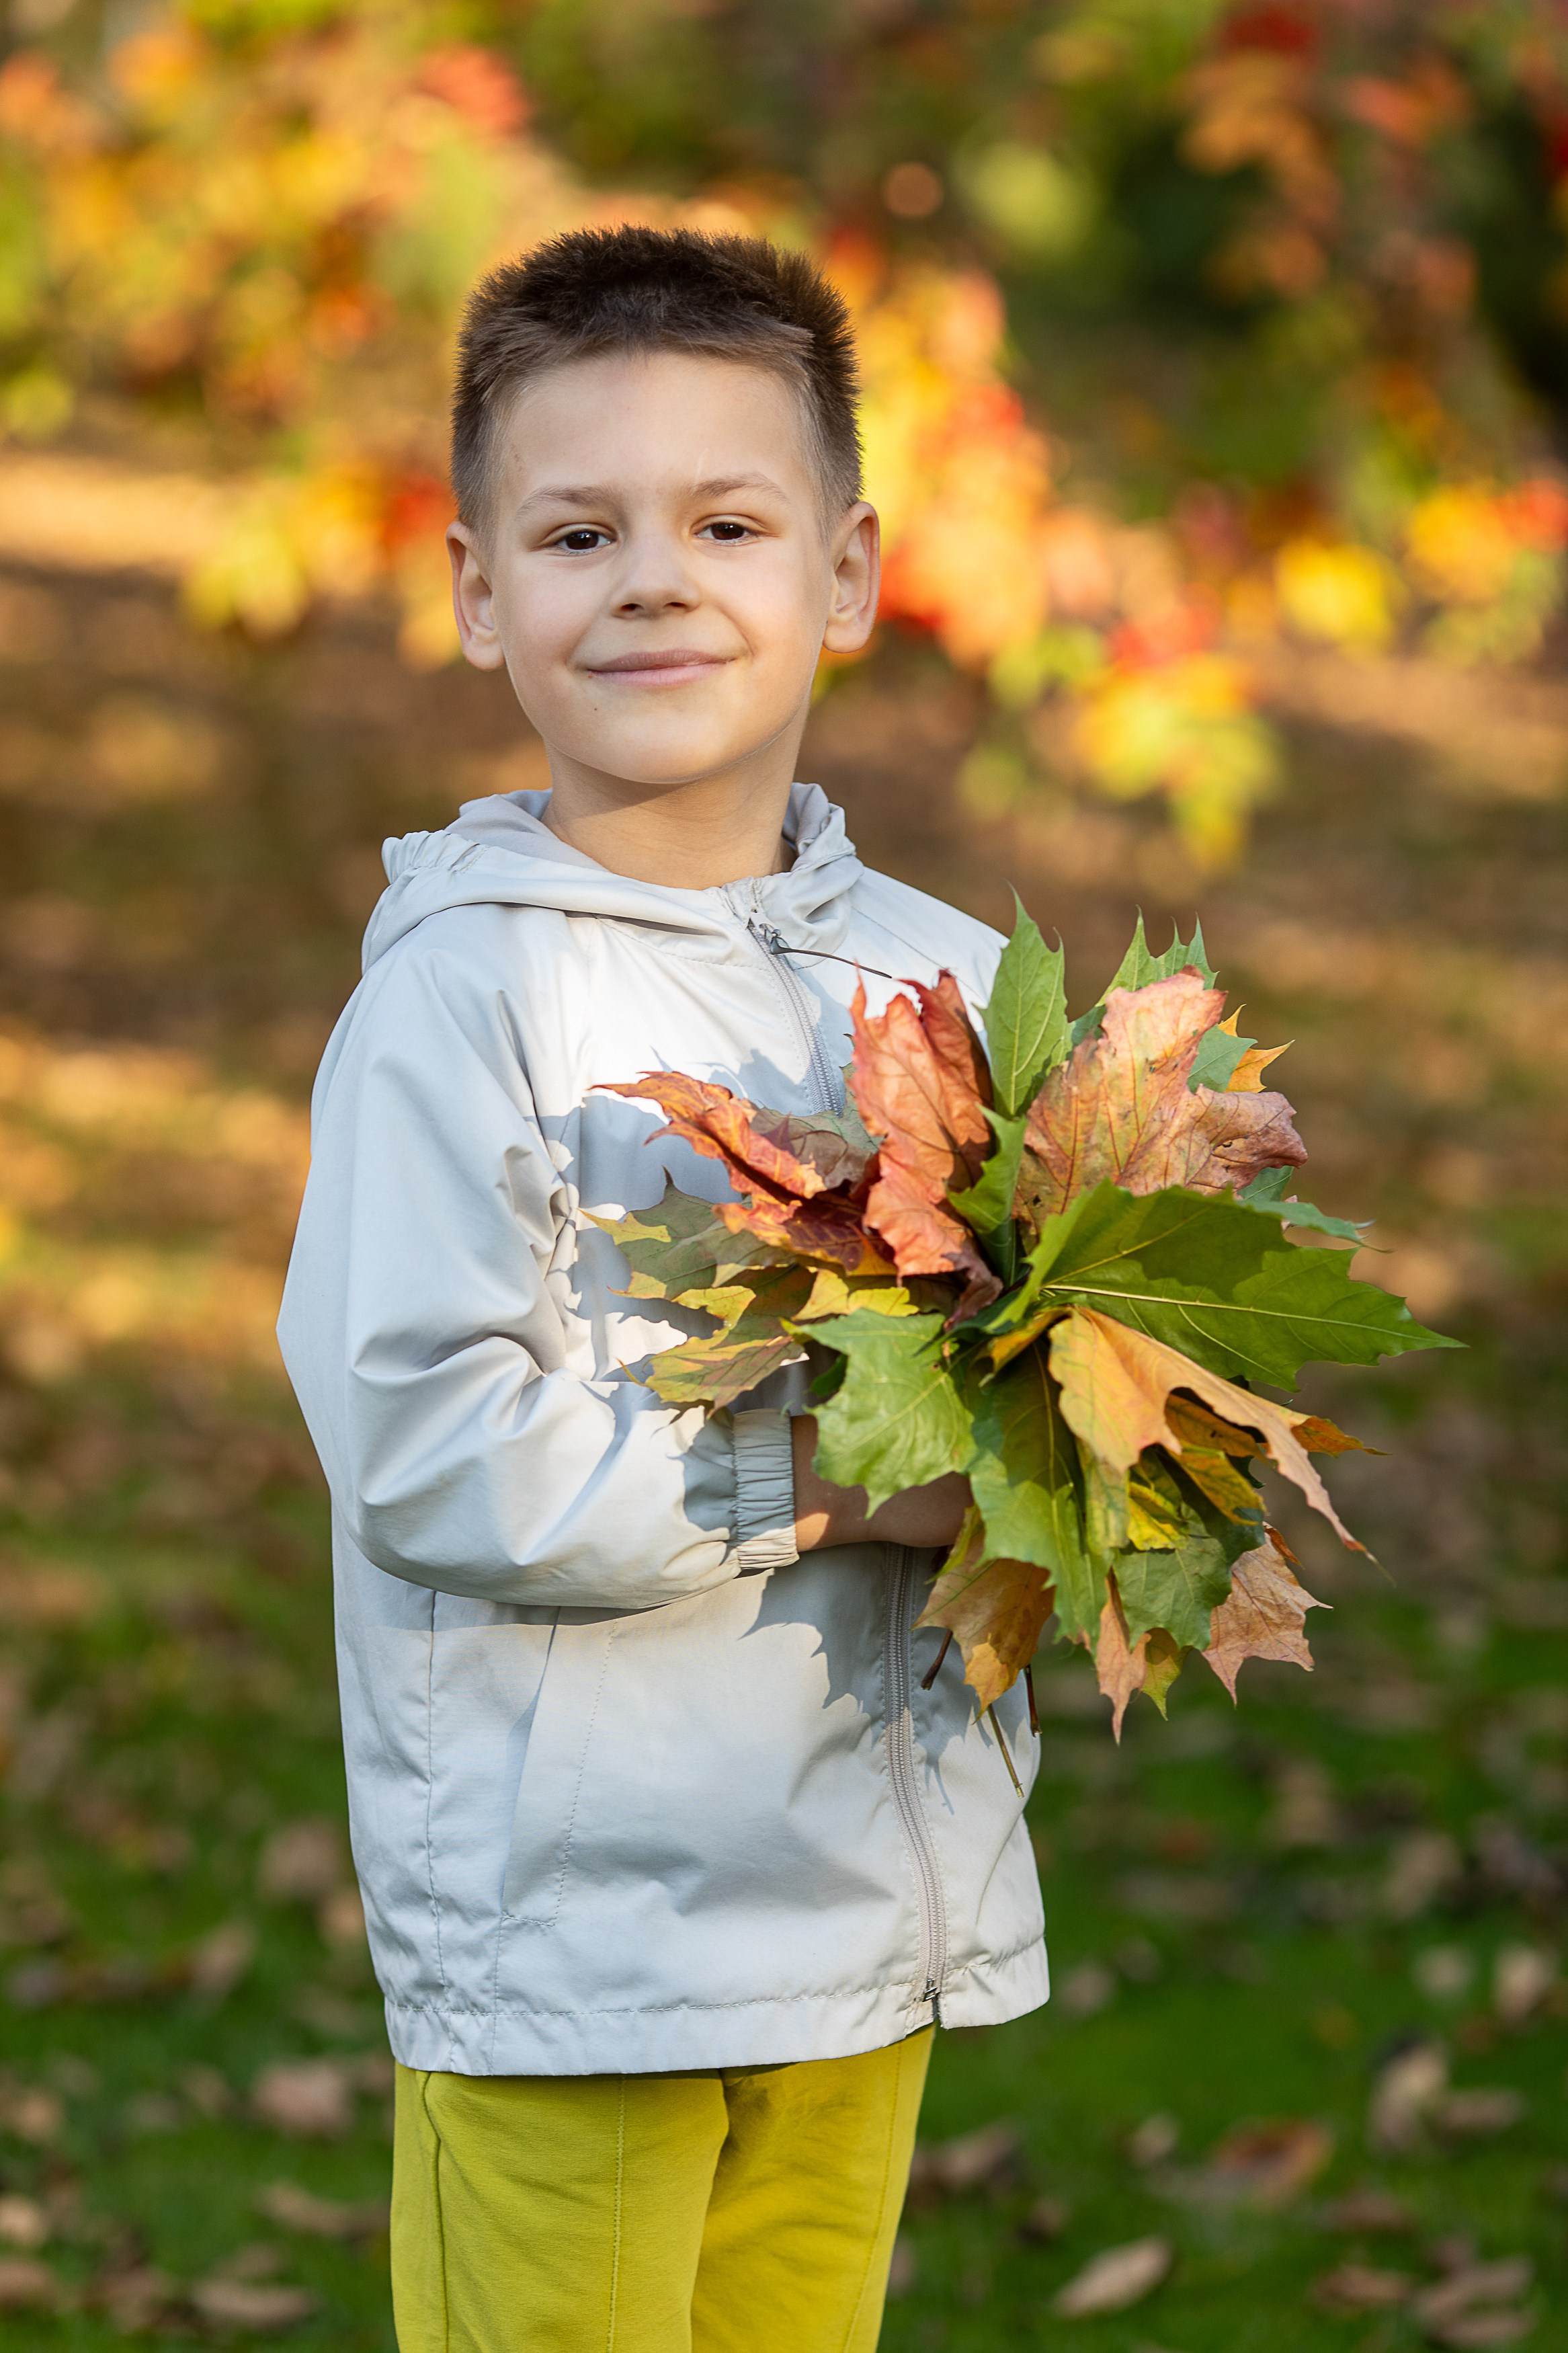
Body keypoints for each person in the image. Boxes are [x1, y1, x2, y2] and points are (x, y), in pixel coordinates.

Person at [277, 223, 1048, 2353]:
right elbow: (435, 1452)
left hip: (856, 1909)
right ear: (473, 593)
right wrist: (810, 1485)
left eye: (726, 519)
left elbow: (1035, 1378)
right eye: (577, 529)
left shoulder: (957, 982)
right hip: (574, 1950)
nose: (652, 576)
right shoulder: (463, 998)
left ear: (849, 573)